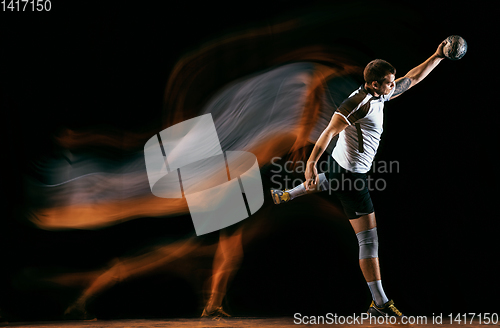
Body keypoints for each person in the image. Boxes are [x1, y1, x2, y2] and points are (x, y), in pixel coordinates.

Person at [271, 40, 447, 317]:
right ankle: (380, 303)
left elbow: (411, 79)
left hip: (339, 169)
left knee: (331, 180)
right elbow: (329, 132)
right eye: (388, 82)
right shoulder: (357, 103)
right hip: (353, 179)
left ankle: (289, 194)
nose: (393, 85)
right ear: (374, 84)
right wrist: (310, 164)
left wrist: (437, 56)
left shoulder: (380, 95)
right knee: (368, 241)